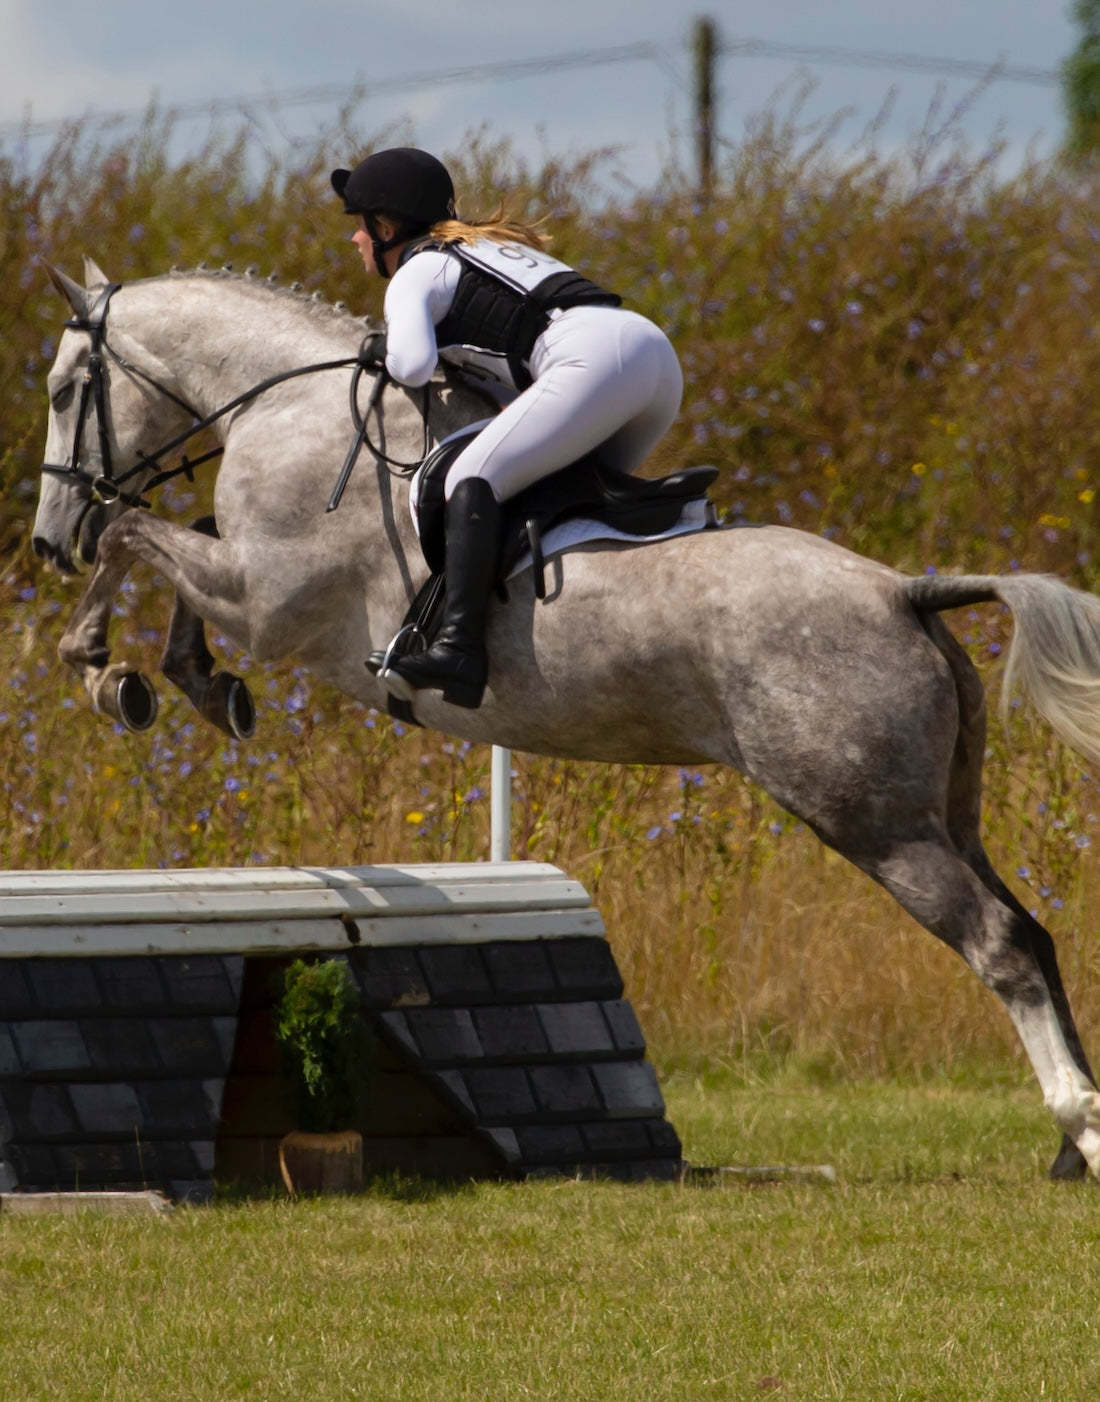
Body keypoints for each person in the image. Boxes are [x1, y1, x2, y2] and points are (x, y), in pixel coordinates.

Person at [331, 146, 683, 709]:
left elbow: (413, 366)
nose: (354, 240)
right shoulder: (485, 247)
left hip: (591, 361)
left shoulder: (416, 270)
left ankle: (459, 650)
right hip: (653, 360)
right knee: (548, 490)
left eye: (359, 226)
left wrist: (381, 347)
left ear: (386, 226)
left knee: (470, 476)